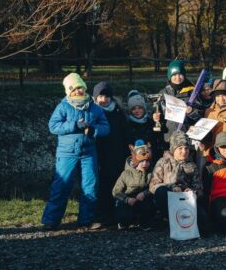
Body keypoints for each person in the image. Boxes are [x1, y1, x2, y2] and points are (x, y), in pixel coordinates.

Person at [42, 73, 110, 231]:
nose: (78, 91)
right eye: (74, 89)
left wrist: (94, 130)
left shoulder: (95, 107)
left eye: (80, 87)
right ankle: (51, 221)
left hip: (89, 153)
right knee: (61, 186)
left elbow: (106, 128)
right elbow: (53, 126)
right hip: (67, 153)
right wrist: (73, 125)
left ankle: (86, 221)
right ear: (69, 91)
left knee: (90, 186)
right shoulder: (63, 106)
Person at [149, 131, 206, 232]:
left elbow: (199, 189)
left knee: (203, 221)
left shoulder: (192, 165)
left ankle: (184, 223)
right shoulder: (162, 162)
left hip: (186, 202)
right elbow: (153, 186)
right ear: (173, 148)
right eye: (180, 148)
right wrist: (171, 187)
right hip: (169, 200)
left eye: (186, 148)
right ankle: (168, 219)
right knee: (160, 191)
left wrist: (192, 191)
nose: (184, 151)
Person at [92, 81, 128, 228]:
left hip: (118, 152)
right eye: (101, 96)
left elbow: (125, 132)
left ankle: (117, 214)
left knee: (117, 183)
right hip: (100, 153)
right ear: (95, 97)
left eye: (107, 96)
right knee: (102, 184)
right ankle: (102, 215)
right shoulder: (93, 112)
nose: (104, 99)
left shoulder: (118, 112)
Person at [112, 140, 155, 231]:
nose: (145, 164)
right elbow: (116, 191)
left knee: (149, 205)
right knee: (124, 213)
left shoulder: (150, 174)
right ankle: (123, 222)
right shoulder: (126, 174)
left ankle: (145, 223)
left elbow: (154, 186)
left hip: (142, 198)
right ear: (135, 161)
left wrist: (145, 193)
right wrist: (127, 199)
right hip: (128, 199)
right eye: (141, 161)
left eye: (147, 161)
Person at [154, 60, 201, 140]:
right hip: (169, 135)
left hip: (187, 135)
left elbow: (200, 114)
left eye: (180, 74)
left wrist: (191, 111)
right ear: (169, 76)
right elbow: (158, 110)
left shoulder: (192, 92)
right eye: (174, 75)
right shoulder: (164, 92)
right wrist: (156, 117)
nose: (178, 78)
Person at [125, 91, 167, 162]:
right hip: (135, 158)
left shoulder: (150, 121)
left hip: (151, 157)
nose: (137, 111)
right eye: (134, 109)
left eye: (140, 108)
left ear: (144, 109)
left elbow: (159, 136)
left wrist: (159, 122)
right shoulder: (127, 125)